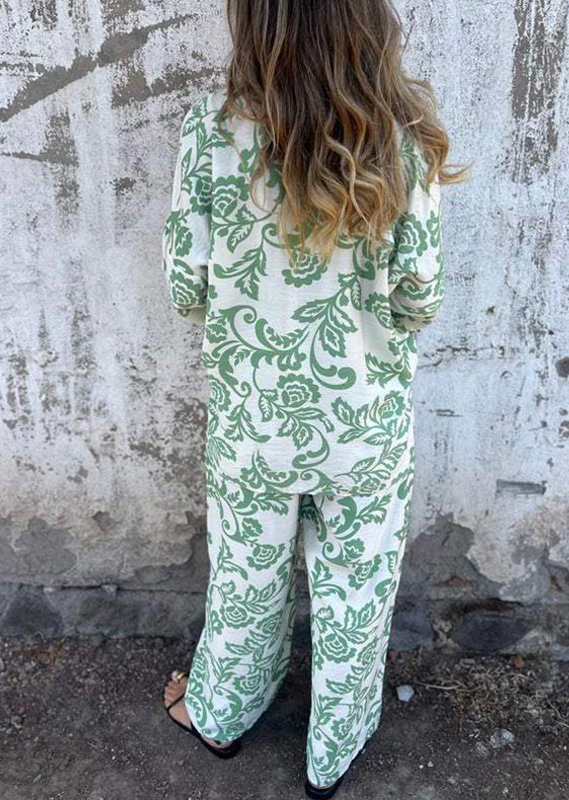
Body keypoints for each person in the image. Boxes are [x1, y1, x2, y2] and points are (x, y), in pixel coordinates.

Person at [160, 0, 468, 796]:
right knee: (356, 590)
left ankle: (221, 711)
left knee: (246, 576)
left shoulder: (209, 134)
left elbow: (186, 288)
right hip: (363, 425)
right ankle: (331, 750)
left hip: (254, 424)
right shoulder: (403, 142)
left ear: (254, 25)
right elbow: (419, 299)